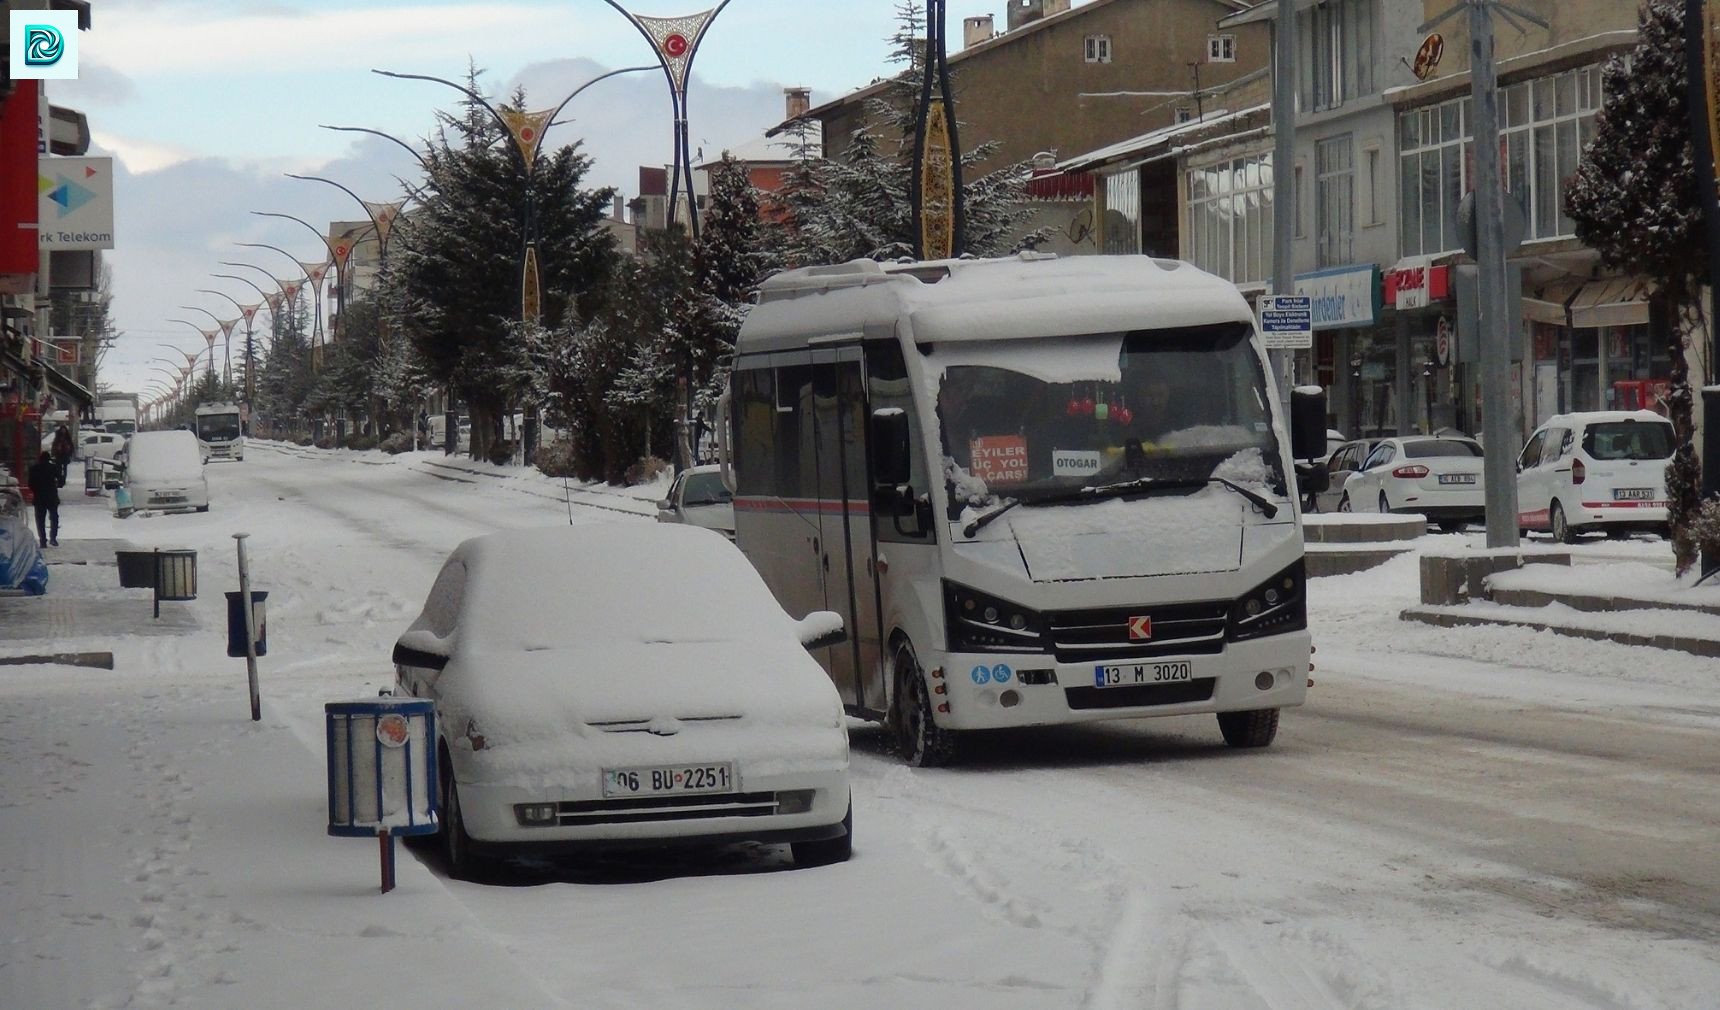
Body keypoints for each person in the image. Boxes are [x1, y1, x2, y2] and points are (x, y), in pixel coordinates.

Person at [27, 451, 60, 548]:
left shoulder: (34, 469)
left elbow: (30, 484)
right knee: (54, 517)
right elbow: (61, 479)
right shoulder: (53, 467)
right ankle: (53, 538)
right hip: (52, 496)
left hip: (39, 497)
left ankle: (43, 540)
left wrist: (37, 490)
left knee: (40, 519)